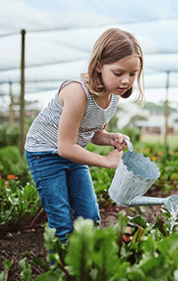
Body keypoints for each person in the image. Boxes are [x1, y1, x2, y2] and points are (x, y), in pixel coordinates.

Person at [24, 28, 144, 243]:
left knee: (89, 216)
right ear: (99, 65)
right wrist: (106, 161)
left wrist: (110, 138)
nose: (126, 81)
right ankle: (62, 272)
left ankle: (86, 266)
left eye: (132, 74)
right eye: (118, 73)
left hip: (72, 153)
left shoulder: (112, 96)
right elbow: (66, 147)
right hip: (45, 153)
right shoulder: (77, 93)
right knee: (61, 222)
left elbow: (94, 134)